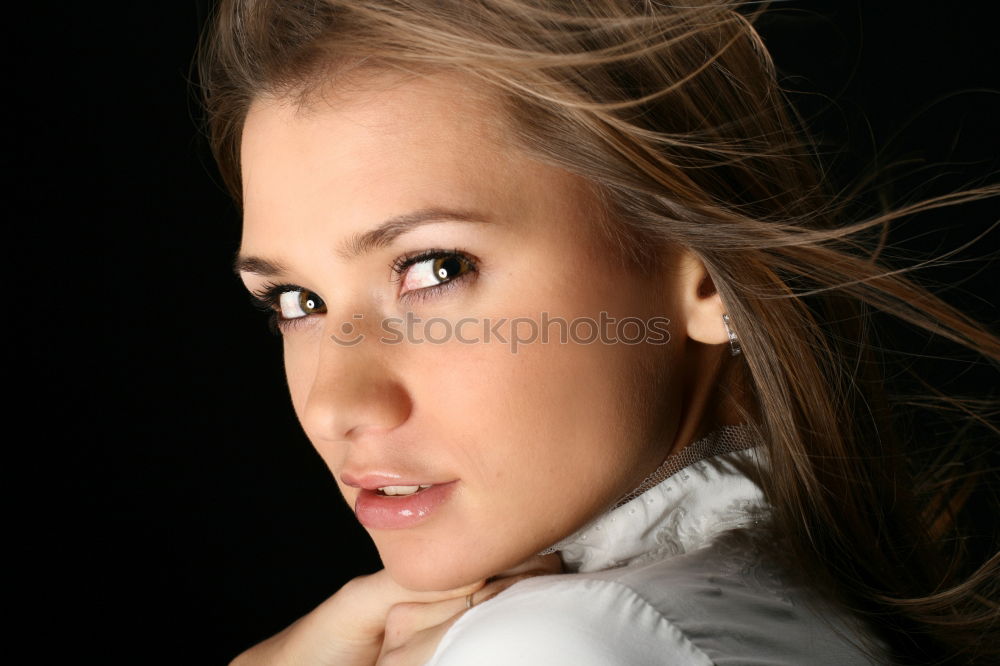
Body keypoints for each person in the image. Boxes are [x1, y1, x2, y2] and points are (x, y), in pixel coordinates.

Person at [196, 1, 999, 663]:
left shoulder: (559, 642)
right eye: (297, 301)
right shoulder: (791, 604)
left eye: (436, 268)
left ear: (707, 279)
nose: (340, 405)